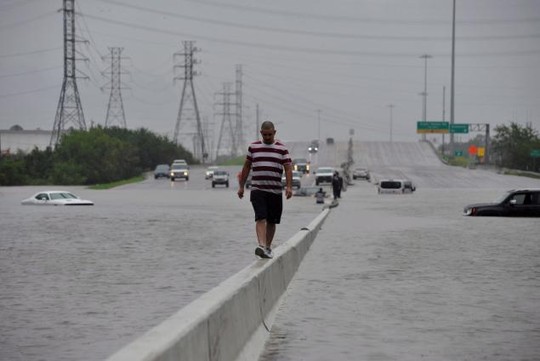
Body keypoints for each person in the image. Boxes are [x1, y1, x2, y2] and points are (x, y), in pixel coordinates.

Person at [237, 121, 293, 259]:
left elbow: (288, 168)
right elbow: (246, 167)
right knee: (260, 217)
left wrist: (289, 187)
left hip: (275, 191)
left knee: (272, 221)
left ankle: (267, 247)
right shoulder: (253, 147)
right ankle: (261, 245)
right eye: (265, 134)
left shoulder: (282, 149)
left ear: (274, 132)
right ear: (261, 133)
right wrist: (241, 186)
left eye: (270, 134)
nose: (267, 137)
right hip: (258, 189)